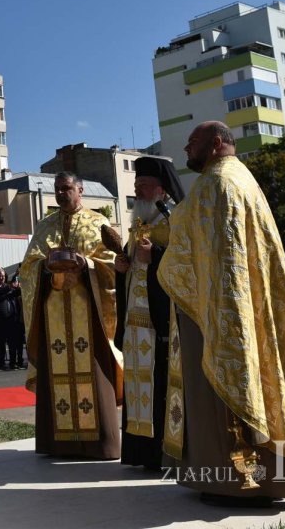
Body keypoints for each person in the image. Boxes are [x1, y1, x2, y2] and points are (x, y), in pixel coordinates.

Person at [159, 121, 285, 506]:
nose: (186, 151)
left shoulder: (215, 184)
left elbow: (196, 248)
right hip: (246, 306)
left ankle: (236, 481)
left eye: (192, 143)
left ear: (216, 143)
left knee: (226, 388)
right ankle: (272, 479)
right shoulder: (243, 178)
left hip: (220, 311)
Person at [19, 171, 122, 459]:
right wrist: (47, 266)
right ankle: (59, 444)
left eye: (66, 188)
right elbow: (28, 267)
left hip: (88, 315)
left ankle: (100, 444)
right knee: (57, 376)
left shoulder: (98, 223)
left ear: (80, 190)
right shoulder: (44, 226)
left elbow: (113, 264)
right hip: (54, 315)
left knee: (93, 373)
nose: (61, 194)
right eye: (57, 189)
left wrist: (86, 264)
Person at [113, 155, 183, 472]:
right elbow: (133, 267)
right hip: (136, 321)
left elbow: (185, 262)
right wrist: (122, 267)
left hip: (162, 320)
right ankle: (141, 454)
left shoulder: (175, 218)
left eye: (143, 185)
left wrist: (153, 254)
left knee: (162, 386)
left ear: (160, 188)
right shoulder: (139, 222)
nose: (138, 192)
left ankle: (163, 454)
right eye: (136, 185)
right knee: (138, 385)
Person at [0, 268, 22, 370]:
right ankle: (1, 363)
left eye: (3, 276)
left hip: (11, 320)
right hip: (0, 321)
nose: (2, 277)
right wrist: (9, 287)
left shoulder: (6, 286)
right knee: (1, 344)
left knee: (13, 343)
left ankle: (13, 362)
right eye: (0, 276)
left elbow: (13, 294)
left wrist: (19, 289)